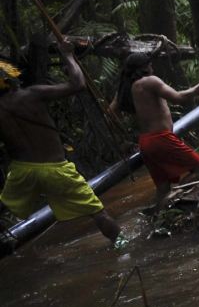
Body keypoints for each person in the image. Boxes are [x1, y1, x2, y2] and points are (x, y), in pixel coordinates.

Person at [0, 44, 124, 248]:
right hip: (55, 168)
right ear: (11, 79)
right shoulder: (32, 94)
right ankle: (123, 247)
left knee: (5, 205)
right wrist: (68, 56)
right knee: (98, 213)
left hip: (22, 172)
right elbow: (77, 84)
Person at [113, 53, 199, 212]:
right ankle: (172, 198)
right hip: (161, 139)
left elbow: (111, 112)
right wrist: (197, 89)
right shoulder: (150, 81)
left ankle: (159, 217)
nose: (152, 67)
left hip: (145, 142)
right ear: (145, 66)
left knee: (163, 188)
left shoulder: (127, 87)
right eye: (150, 64)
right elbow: (178, 98)